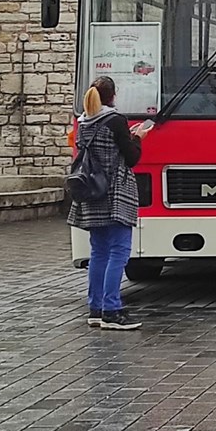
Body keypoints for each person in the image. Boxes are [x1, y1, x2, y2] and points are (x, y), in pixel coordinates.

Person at [67, 76, 149, 331]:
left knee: (98, 253)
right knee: (119, 252)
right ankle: (111, 310)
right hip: (115, 192)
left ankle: (96, 308)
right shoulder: (115, 121)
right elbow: (132, 158)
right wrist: (138, 137)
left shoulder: (84, 123)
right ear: (113, 96)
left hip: (92, 192)